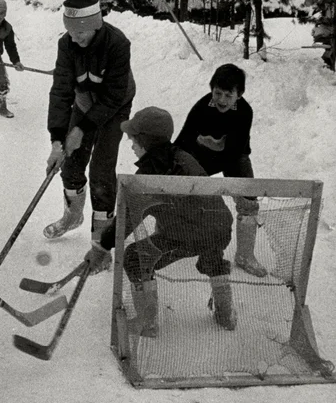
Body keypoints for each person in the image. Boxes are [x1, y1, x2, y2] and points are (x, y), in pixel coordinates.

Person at [86, 107, 236, 336]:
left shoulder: (148, 177)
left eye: (134, 140)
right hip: (220, 227)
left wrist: (102, 246)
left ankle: (148, 322)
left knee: (136, 258)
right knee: (211, 251)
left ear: (145, 142)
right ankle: (226, 314)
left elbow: (127, 219)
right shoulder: (182, 156)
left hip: (188, 232)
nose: (131, 144)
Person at [45, 0, 136, 248]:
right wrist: (56, 140)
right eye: (71, 32)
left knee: (101, 171)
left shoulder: (118, 44)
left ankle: (101, 241)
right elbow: (61, 92)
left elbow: (113, 96)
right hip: (84, 102)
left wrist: (81, 130)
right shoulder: (67, 44)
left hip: (115, 105)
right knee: (70, 162)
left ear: (95, 26)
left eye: (80, 32)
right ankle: (72, 216)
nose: (75, 39)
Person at [174, 64, 267, 277]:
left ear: (239, 95)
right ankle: (172, 237)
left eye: (228, 95)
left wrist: (212, 143)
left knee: (249, 199)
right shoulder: (202, 106)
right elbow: (183, 140)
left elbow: (233, 151)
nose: (222, 100)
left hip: (234, 156)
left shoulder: (244, 111)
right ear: (211, 90)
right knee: (181, 187)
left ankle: (245, 255)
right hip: (202, 156)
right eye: (217, 93)